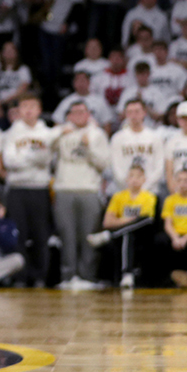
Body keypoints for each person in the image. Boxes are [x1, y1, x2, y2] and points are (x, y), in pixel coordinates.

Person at [2, 92, 57, 286]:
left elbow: (47, 159)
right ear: (19, 110)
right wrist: (35, 156)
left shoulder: (47, 133)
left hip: (40, 188)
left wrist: (24, 156)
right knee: (19, 235)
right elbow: (9, 161)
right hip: (17, 189)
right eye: (24, 107)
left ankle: (40, 276)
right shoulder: (10, 133)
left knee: (41, 235)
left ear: (39, 110)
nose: (28, 110)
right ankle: (20, 276)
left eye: (32, 106)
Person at [53, 102, 109, 289]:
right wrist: (57, 134)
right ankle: (68, 277)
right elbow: (46, 152)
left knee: (89, 236)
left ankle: (88, 277)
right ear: (68, 115)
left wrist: (88, 147)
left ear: (88, 114)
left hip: (89, 189)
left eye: (82, 112)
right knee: (67, 236)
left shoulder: (97, 134)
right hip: (64, 188)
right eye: (74, 112)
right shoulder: (60, 132)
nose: (78, 115)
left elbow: (103, 164)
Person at [92, 165, 158, 288]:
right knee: (128, 234)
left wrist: (120, 220)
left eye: (138, 176)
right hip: (125, 234)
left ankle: (109, 236)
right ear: (126, 179)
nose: (134, 180)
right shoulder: (118, 197)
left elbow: (146, 219)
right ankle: (127, 274)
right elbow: (107, 222)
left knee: (147, 220)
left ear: (144, 179)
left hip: (144, 234)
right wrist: (129, 221)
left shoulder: (149, 196)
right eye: (131, 176)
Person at [157, 169, 187, 283]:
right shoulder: (170, 200)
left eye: (186, 180)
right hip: (175, 234)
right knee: (160, 240)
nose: (183, 184)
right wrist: (176, 238)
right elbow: (167, 224)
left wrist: (184, 239)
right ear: (176, 183)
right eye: (180, 180)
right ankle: (165, 279)